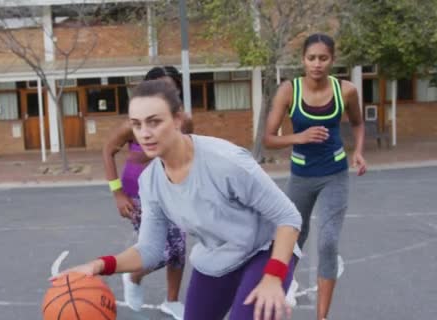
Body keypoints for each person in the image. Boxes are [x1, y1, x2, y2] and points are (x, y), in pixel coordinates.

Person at [55, 79, 302, 320]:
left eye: (154, 122)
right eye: (137, 125)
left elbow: (288, 217)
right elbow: (149, 250)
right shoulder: (150, 182)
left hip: (265, 249)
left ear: (177, 120)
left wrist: (274, 276)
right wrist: (98, 265)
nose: (145, 133)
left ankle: (280, 286)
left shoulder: (226, 162)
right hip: (219, 256)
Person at [263, 33, 367, 320]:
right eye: (311, 58)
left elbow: (358, 124)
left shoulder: (346, 91)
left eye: (323, 58)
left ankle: (322, 317)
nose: (317, 64)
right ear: (303, 60)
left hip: (335, 173)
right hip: (301, 175)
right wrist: (301, 136)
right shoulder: (289, 90)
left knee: (328, 242)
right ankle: (284, 288)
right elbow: (268, 138)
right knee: (292, 237)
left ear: (332, 60)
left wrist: (358, 151)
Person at [102, 66, 191, 319]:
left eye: (172, 87)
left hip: (173, 188)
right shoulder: (132, 124)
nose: (168, 91)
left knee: (179, 249)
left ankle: (172, 301)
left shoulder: (183, 120)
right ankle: (133, 275)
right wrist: (117, 193)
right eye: (162, 87)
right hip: (139, 194)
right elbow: (108, 150)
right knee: (156, 252)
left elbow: (191, 150)